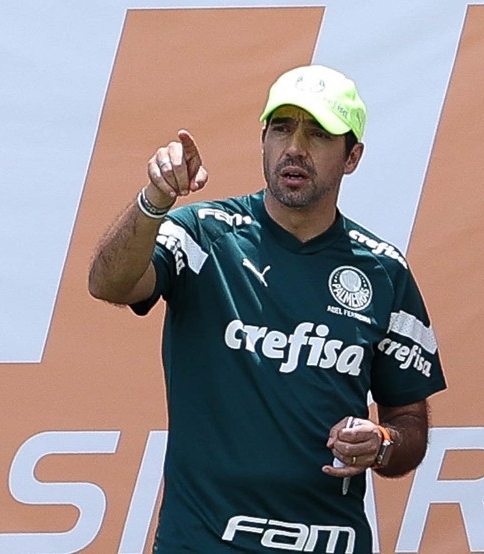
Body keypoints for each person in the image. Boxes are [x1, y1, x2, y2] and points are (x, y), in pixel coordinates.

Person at [88, 64, 446, 553]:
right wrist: (154, 200)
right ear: (263, 139)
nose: (295, 147)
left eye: (318, 133)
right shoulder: (203, 233)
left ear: (352, 156)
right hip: (202, 542)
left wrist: (381, 442)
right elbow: (109, 283)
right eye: (281, 127)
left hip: (331, 541)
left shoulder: (383, 270)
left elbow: (410, 422)